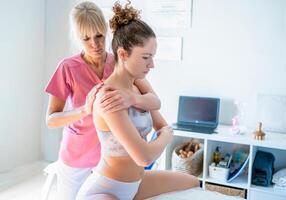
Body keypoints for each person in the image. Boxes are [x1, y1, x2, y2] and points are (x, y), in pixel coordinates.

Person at [76, 2, 199, 200]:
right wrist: (167, 136)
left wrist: (134, 99)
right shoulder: (109, 97)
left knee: (193, 182)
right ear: (123, 54)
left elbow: (158, 109)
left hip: (136, 183)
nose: (152, 64)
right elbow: (144, 157)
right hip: (105, 190)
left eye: (152, 57)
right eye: (146, 57)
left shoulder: (138, 83)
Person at [44, 1, 161, 199]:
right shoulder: (67, 68)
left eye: (99, 36)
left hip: (109, 160)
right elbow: (51, 119)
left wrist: (131, 98)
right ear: (77, 38)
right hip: (76, 157)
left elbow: (153, 99)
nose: (95, 44)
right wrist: (83, 111)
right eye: (86, 39)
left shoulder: (119, 61)